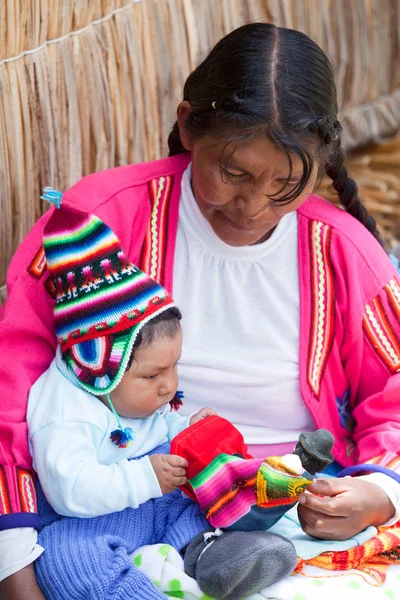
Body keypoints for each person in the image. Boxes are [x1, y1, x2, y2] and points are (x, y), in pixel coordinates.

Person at [1, 21, 400, 600]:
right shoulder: (96, 225)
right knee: (75, 570)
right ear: (189, 125)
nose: (255, 205)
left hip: (282, 513)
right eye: (233, 173)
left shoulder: (346, 254)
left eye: (287, 184)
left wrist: (380, 490)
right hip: (114, 495)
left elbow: (392, 396)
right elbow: (13, 384)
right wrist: (13, 553)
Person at [26, 201, 297, 600]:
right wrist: (145, 477)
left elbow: (158, 425)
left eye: (174, 368)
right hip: (88, 519)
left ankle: (218, 555)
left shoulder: (139, 393)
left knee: (198, 497)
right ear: (97, 366)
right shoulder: (64, 411)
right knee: (67, 561)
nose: (169, 386)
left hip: (155, 497)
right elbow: (71, 489)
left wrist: (189, 428)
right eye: (152, 376)